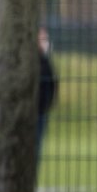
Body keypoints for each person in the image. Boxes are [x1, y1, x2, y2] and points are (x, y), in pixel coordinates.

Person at [36, 27, 58, 173]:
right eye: (42, 39)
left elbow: (53, 85)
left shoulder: (45, 61)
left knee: (36, 148)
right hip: (28, 114)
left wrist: (48, 105)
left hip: (41, 112)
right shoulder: (31, 61)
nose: (46, 43)